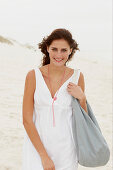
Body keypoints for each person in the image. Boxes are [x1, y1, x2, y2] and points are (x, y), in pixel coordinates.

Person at [22, 28, 88, 170]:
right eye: (54, 49)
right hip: (36, 149)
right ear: (47, 48)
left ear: (71, 50)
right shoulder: (33, 76)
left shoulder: (77, 77)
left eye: (64, 50)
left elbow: (84, 120)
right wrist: (44, 156)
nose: (59, 54)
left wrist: (82, 98)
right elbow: (27, 120)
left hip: (67, 151)